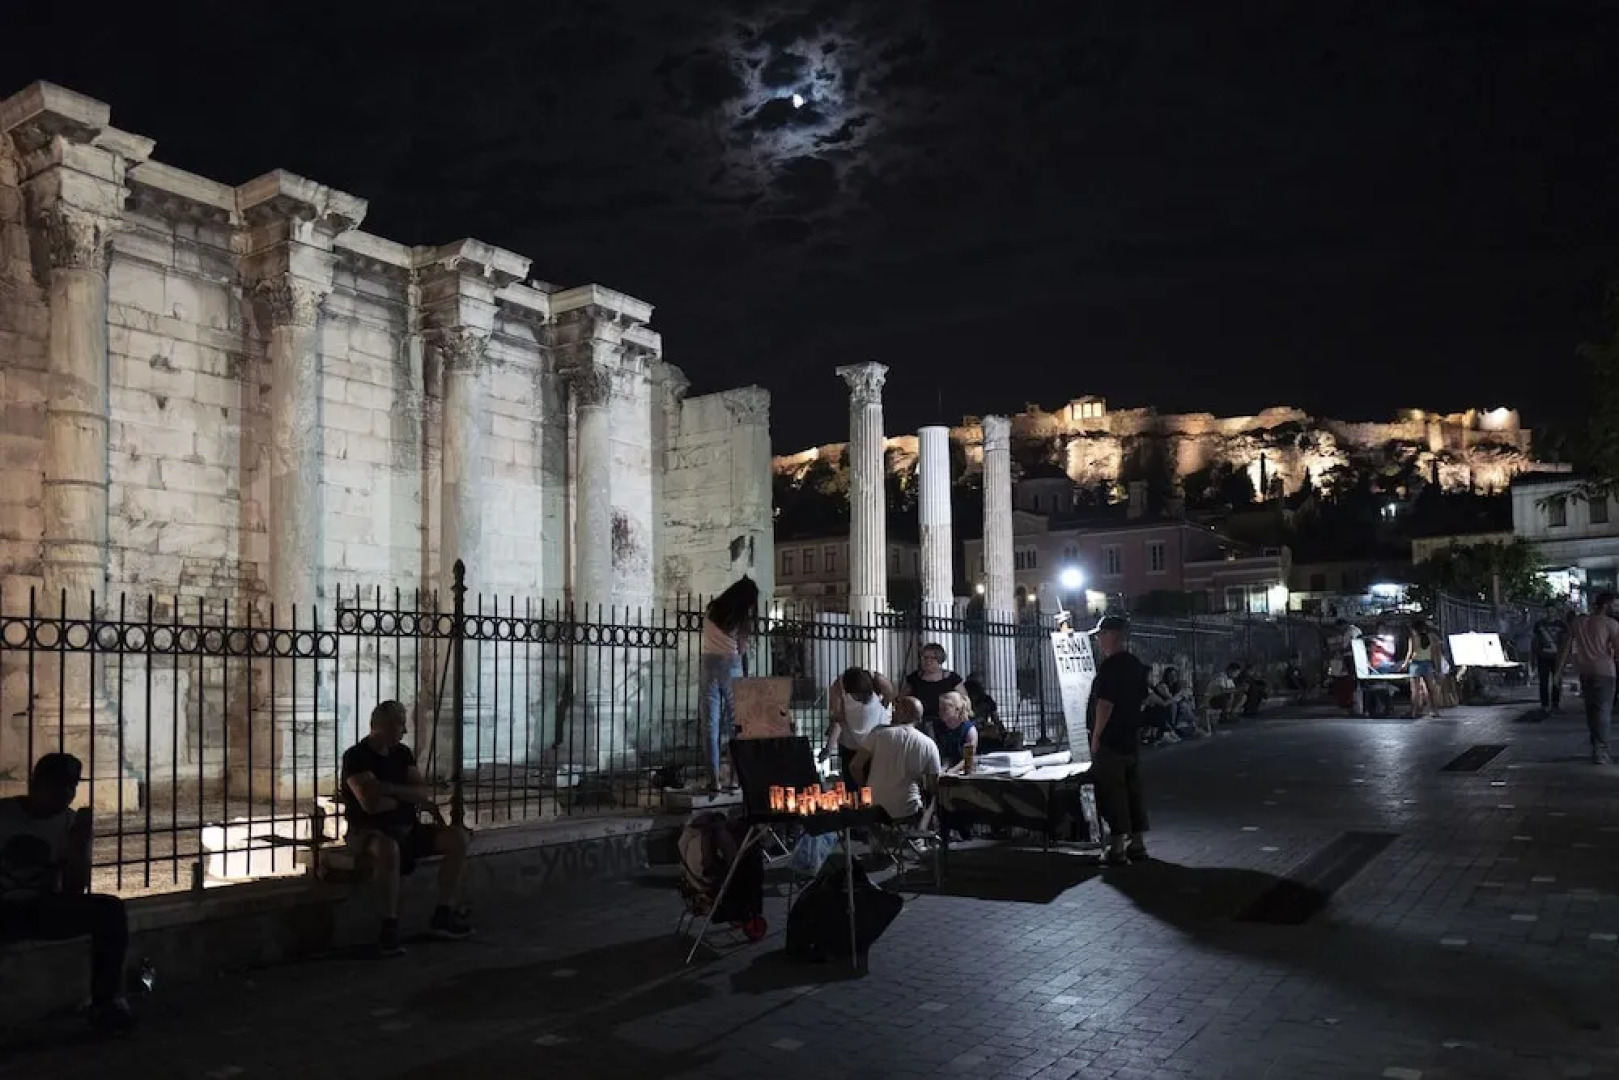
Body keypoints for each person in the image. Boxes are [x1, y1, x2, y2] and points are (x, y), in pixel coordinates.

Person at [0, 753, 133, 1033]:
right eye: (57, 787)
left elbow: (74, 890)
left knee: (110, 911)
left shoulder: (70, 822)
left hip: (41, 907)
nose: (66, 794)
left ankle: (105, 1003)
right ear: (36, 785)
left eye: (71, 787)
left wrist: (78, 848)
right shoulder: (5, 815)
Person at [341, 701, 474, 956]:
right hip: (367, 830)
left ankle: (443, 914)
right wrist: (405, 796)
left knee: (457, 838)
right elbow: (371, 805)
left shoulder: (402, 754)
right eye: (400, 724)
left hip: (407, 826)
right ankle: (388, 928)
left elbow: (422, 793)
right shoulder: (356, 757)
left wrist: (390, 789)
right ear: (383, 726)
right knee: (388, 849)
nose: (405, 731)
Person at [1086, 614, 1151, 867]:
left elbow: (1105, 704)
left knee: (1112, 792)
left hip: (1111, 740)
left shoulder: (1110, 667)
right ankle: (1137, 843)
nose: (1099, 641)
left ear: (1112, 635)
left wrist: (1096, 736)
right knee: (1133, 790)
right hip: (1130, 737)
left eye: (1101, 636)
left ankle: (1116, 849)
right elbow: (1143, 698)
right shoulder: (1135, 664)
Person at [699, 576, 759, 791]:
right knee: (736, 724)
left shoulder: (712, 609)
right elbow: (741, 649)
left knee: (710, 725)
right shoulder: (740, 618)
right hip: (731, 665)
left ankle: (713, 780)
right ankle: (734, 779)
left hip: (708, 664)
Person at [852, 696, 942, 824]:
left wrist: (864, 788)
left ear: (899, 714)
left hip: (875, 806)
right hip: (907, 808)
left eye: (895, 710)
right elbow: (933, 785)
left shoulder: (877, 735)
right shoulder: (929, 744)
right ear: (919, 718)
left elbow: (855, 766)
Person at [1556, 592, 1619, 764]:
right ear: (1606, 605)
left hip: (1585, 672)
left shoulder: (1578, 623)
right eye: (1615, 605)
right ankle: (1601, 751)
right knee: (1603, 711)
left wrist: (1558, 672)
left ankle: (1596, 748)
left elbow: (1565, 648)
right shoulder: (1611, 624)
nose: (1617, 609)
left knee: (1591, 712)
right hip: (1605, 672)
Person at [822, 666, 890, 783]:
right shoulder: (838, 689)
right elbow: (838, 721)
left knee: (877, 783)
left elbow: (890, 694)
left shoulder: (878, 680)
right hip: (851, 744)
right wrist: (828, 748)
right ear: (849, 691)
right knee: (852, 784)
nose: (863, 701)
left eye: (866, 695)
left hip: (876, 743)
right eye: (858, 697)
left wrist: (883, 708)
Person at [900, 642, 964, 735]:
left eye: (932, 658)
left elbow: (964, 699)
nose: (928, 661)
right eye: (925, 657)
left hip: (946, 724)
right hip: (920, 724)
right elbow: (902, 699)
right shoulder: (914, 678)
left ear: (940, 659)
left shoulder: (952, 679)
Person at [963, 675, 1020, 751]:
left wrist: (1003, 733)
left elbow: (996, 720)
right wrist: (983, 732)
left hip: (984, 736)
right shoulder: (962, 704)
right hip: (968, 737)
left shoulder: (987, 701)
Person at [1531, 603, 1569, 715]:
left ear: (1555, 611)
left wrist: (1564, 658)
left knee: (1557, 680)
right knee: (1543, 681)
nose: (1550, 613)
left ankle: (1555, 704)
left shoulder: (1561, 625)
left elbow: (1564, 641)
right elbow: (1535, 641)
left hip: (1557, 657)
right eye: (1548, 610)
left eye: (1552, 610)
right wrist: (1534, 655)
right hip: (1543, 656)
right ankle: (1544, 705)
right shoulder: (1539, 624)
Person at [1403, 617, 1445, 719]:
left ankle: (1413, 712)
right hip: (1427, 664)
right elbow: (1435, 654)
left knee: (1415, 691)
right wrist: (1437, 668)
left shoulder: (1413, 637)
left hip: (1415, 664)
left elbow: (1410, 652)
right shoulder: (1432, 637)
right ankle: (1434, 711)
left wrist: (1405, 664)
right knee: (1431, 689)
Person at [1147, 666, 1199, 740]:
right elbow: (1171, 698)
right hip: (1161, 707)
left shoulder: (1176, 686)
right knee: (1176, 705)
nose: (1173, 677)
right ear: (1166, 676)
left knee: (1185, 704)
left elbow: (1178, 697)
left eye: (1175, 675)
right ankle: (1177, 726)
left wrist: (1186, 696)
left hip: (1171, 706)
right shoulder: (1162, 686)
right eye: (1171, 675)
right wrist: (1180, 694)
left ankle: (1192, 725)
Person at [933, 690, 979, 768]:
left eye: (945, 709)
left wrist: (952, 771)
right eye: (940, 709)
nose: (940, 712)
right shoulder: (937, 727)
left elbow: (968, 759)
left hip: (963, 770)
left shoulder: (969, 730)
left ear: (957, 709)